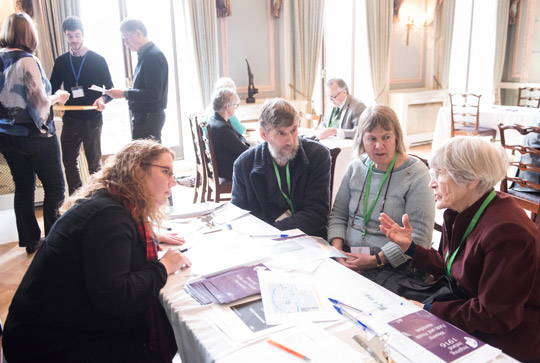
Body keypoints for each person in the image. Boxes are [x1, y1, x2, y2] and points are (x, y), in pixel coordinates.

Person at [2, 139, 190, 363]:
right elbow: (117, 297)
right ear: (138, 171)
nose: (174, 181)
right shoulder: (109, 218)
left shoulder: (108, 204)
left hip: (51, 328)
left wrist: (138, 239)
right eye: (166, 171)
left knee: (167, 330)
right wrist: (164, 267)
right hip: (48, 345)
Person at [379, 136, 540, 362]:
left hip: (512, 337)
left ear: (472, 179)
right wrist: (411, 248)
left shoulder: (507, 232)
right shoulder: (462, 208)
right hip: (471, 312)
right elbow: (456, 266)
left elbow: (496, 315)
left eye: (439, 174)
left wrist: (428, 310)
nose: (431, 183)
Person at [328, 105, 435, 296]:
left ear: (397, 138)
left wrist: (376, 259)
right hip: (346, 255)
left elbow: (420, 237)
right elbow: (338, 215)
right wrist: (338, 254)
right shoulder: (355, 168)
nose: (379, 145)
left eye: (386, 137)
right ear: (362, 139)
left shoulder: (416, 174)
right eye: (372, 138)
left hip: (393, 266)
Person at [0, 12, 70, 254]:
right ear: (28, 33)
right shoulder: (27, 60)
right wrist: (58, 97)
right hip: (36, 137)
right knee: (56, 187)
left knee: (23, 187)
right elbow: (39, 103)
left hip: (6, 136)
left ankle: (31, 241)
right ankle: (54, 243)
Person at [232, 98, 331, 237]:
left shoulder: (317, 155)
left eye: (293, 130)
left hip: (309, 238)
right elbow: (238, 218)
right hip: (264, 242)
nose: (290, 141)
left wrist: (274, 230)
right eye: (281, 133)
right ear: (263, 135)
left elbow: (317, 214)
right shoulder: (244, 165)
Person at [50, 16, 114, 195]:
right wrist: (57, 97)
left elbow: (110, 89)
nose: (74, 40)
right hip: (70, 118)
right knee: (69, 161)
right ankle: (77, 199)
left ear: (83, 34)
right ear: (66, 36)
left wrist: (102, 100)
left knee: (94, 164)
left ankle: (97, 198)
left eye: (77, 35)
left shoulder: (97, 59)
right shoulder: (61, 61)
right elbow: (52, 88)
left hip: (92, 118)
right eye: (70, 36)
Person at [106, 18, 168, 143]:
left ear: (138, 33)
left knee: (147, 160)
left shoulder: (153, 56)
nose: (125, 43)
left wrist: (124, 93)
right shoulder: (145, 54)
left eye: (127, 38)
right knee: (143, 159)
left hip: (149, 117)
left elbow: (154, 94)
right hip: (145, 116)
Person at [209, 88, 250, 181]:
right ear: (227, 106)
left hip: (224, 165)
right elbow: (244, 151)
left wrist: (243, 142)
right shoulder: (222, 128)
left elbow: (240, 136)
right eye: (235, 105)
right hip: (228, 170)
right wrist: (243, 143)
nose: (235, 108)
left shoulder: (217, 119)